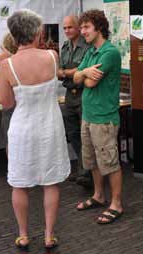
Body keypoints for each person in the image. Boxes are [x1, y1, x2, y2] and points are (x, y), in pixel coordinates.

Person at [0, 9, 70, 251]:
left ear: (14, 35)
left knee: (20, 184)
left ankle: (24, 235)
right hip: (50, 126)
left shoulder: (6, 66)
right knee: (51, 183)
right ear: (37, 32)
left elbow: (6, 103)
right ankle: (49, 235)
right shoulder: (52, 56)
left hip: (22, 129)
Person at [73, 9, 124, 224]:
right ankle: (98, 196)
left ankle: (116, 204)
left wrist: (83, 75)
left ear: (99, 27)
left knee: (110, 163)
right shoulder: (91, 52)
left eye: (86, 27)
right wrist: (84, 72)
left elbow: (90, 83)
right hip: (88, 116)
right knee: (91, 161)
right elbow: (76, 77)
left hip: (104, 118)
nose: (81, 31)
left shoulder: (109, 52)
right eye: (81, 27)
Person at [57, 15, 90, 184]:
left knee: (85, 134)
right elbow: (59, 71)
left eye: (70, 27)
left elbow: (83, 69)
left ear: (78, 27)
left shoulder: (87, 46)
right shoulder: (65, 47)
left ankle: (86, 172)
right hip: (70, 94)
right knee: (73, 133)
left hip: (85, 93)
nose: (67, 31)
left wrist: (67, 72)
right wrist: (70, 72)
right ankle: (83, 168)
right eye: (65, 28)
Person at [0, 33, 18, 151]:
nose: (0, 54)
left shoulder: (10, 67)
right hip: (12, 112)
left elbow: (4, 98)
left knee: (11, 147)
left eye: (2, 50)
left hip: (12, 112)